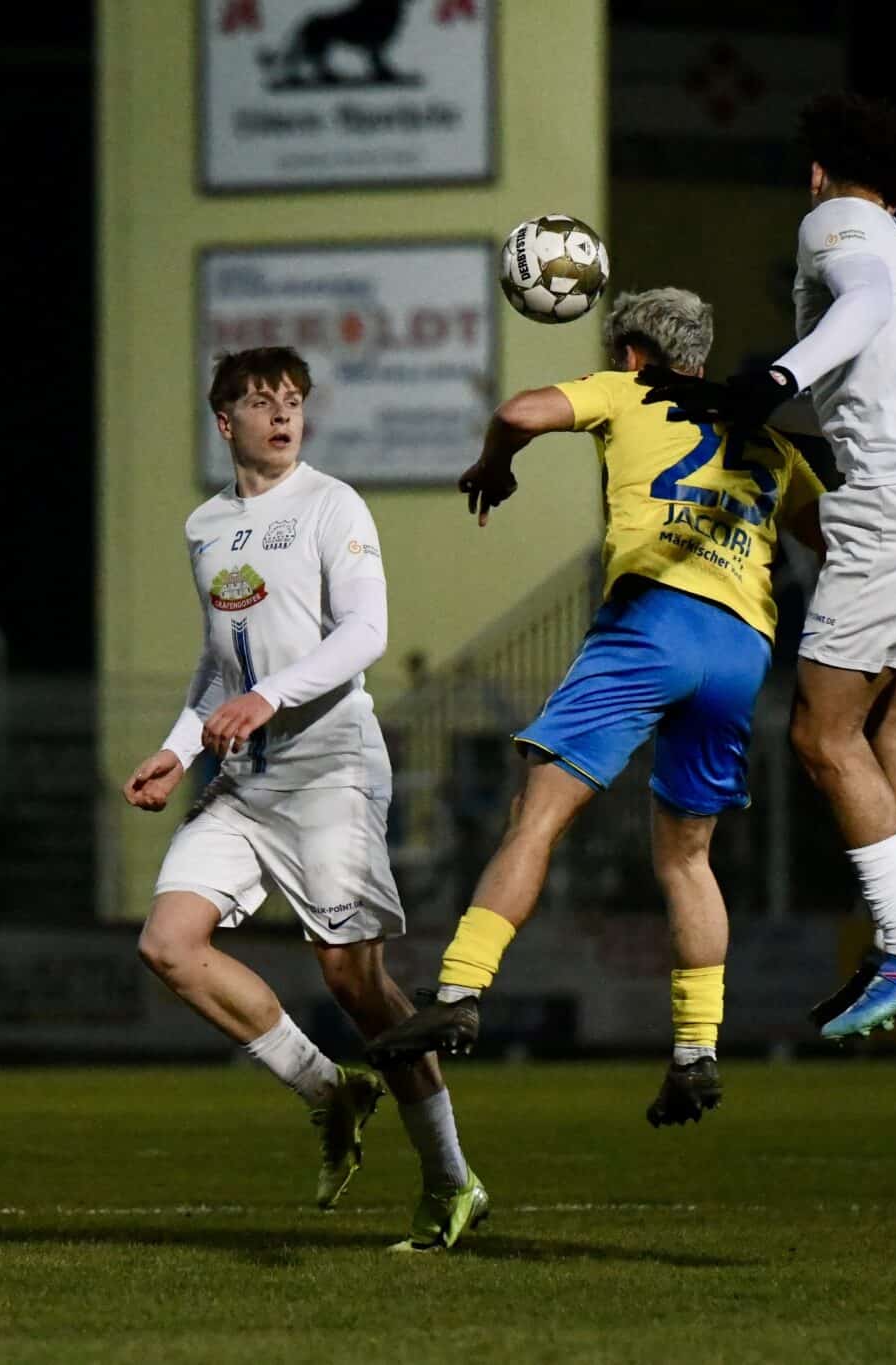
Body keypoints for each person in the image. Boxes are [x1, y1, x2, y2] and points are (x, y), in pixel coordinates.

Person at [364, 288, 826, 1124]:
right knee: (688, 858)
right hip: (741, 651)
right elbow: (831, 537)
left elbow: (519, 410)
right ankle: (696, 1050)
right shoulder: (766, 439)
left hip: (652, 619)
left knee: (537, 815)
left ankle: (461, 991)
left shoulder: (628, 389)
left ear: (634, 353)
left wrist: (496, 461)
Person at [645, 93, 896, 1039]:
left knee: (819, 733)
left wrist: (774, 376)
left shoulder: (836, 220)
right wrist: (742, 397)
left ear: (819, 170)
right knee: (892, 724)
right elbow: (858, 386)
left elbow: (861, 315)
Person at [122, 346, 485, 1252]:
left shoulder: (332, 503)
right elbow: (219, 665)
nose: (282, 415)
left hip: (331, 767)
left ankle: (451, 1180)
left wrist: (270, 696)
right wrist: (174, 751)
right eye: (260, 401)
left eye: (292, 401)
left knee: (354, 980)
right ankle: (331, 1091)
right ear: (225, 422)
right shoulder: (205, 526)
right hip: (246, 782)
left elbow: (367, 630)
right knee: (167, 943)